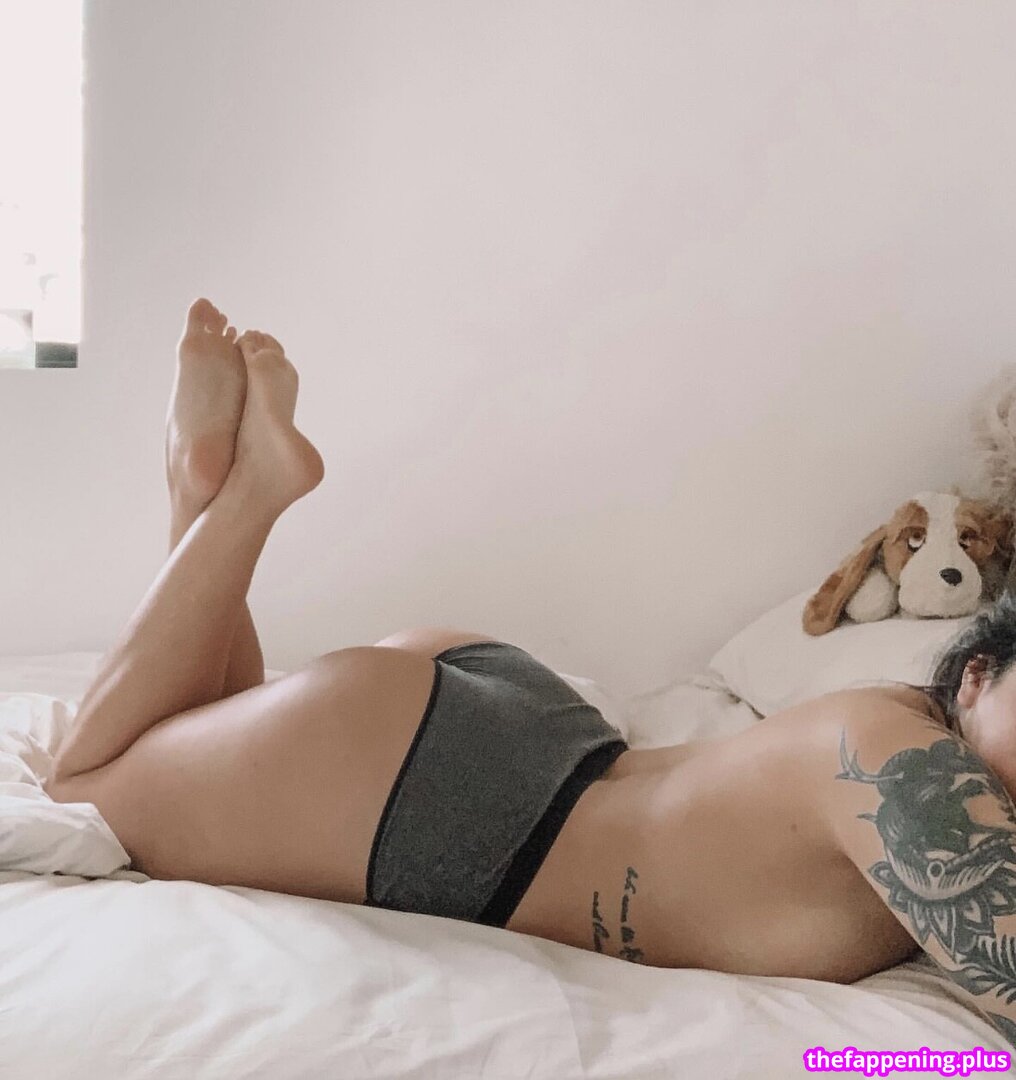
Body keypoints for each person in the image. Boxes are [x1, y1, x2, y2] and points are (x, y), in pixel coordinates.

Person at [43, 299, 1016, 1047]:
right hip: (463, 810)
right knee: (86, 785)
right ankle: (247, 497)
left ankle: (200, 495)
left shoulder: (903, 746)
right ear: (972, 677)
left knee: (201, 743)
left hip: (520, 743)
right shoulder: (912, 765)